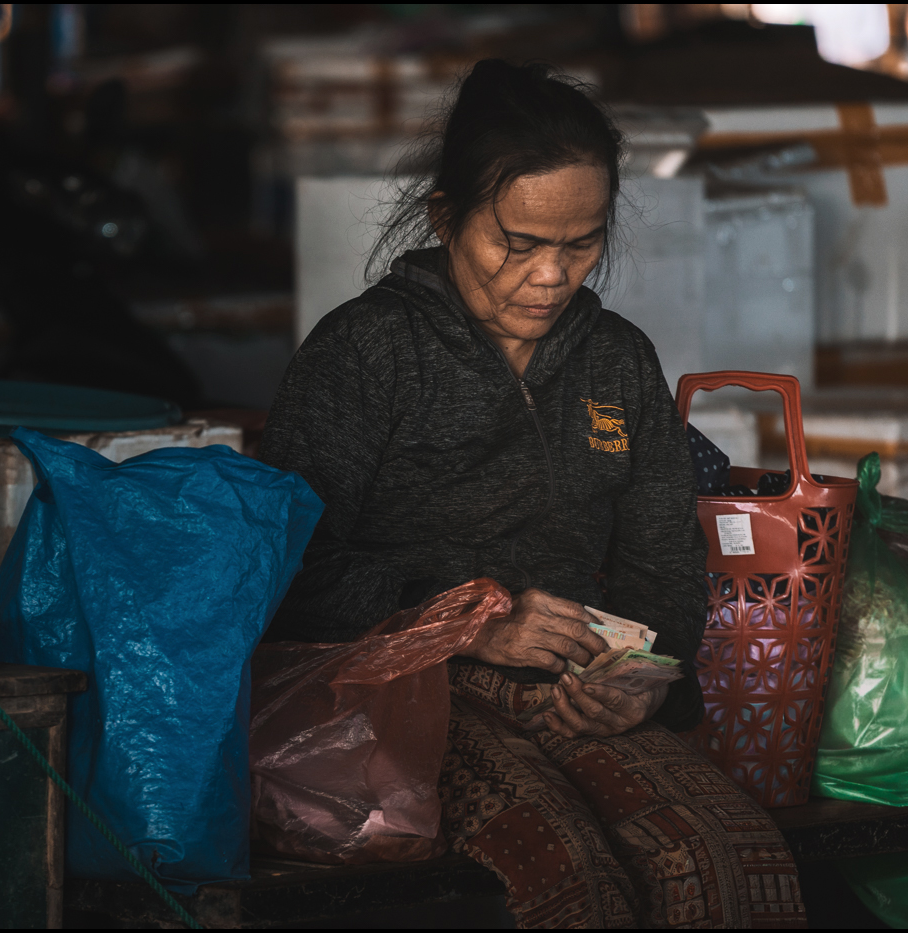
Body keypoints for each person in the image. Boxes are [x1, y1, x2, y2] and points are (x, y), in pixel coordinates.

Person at [259, 60, 805, 929]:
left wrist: (648, 679)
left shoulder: (617, 360)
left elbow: (661, 560)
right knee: (568, 872)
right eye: (517, 242)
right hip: (409, 701)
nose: (551, 276)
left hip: (576, 693)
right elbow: (288, 567)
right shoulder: (367, 353)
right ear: (448, 218)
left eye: (580, 244)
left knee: (718, 851)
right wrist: (471, 620)